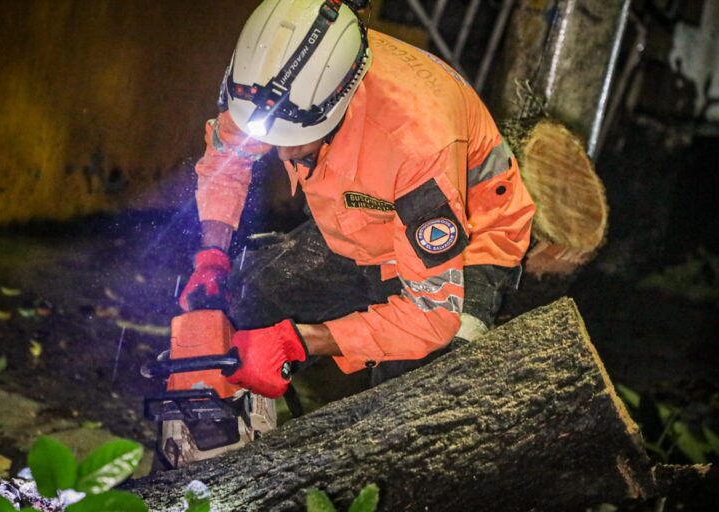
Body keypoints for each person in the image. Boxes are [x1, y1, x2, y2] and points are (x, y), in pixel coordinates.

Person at [178, 0, 535, 399]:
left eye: (293, 141)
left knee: (419, 394)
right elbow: (226, 159)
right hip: (364, 219)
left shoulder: (415, 142)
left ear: (336, 106)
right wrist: (212, 255)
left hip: (468, 238)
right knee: (241, 298)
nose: (279, 153)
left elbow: (431, 318)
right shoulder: (274, 79)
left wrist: (300, 341)